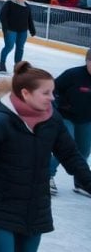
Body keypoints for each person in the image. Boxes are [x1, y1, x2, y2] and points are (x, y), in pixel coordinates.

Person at [0, 62, 91, 252]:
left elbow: (70, 155)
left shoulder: (53, 120)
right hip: (0, 199)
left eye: (52, 92)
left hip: (35, 203)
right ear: (25, 93)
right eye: (46, 92)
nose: (52, 98)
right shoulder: (0, 121)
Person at [48, 48, 91, 196]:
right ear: (87, 61)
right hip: (66, 116)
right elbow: (51, 88)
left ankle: (81, 182)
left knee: (84, 151)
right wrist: (59, 103)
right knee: (67, 146)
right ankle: (46, 175)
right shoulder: (73, 75)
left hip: (86, 120)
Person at [0, 0, 37, 71]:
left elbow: (29, 19)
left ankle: (18, 66)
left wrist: (32, 29)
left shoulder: (27, 6)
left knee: (20, 48)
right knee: (9, 46)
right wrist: (5, 28)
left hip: (23, 31)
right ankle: (2, 63)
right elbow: (2, 16)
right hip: (11, 30)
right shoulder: (9, 4)